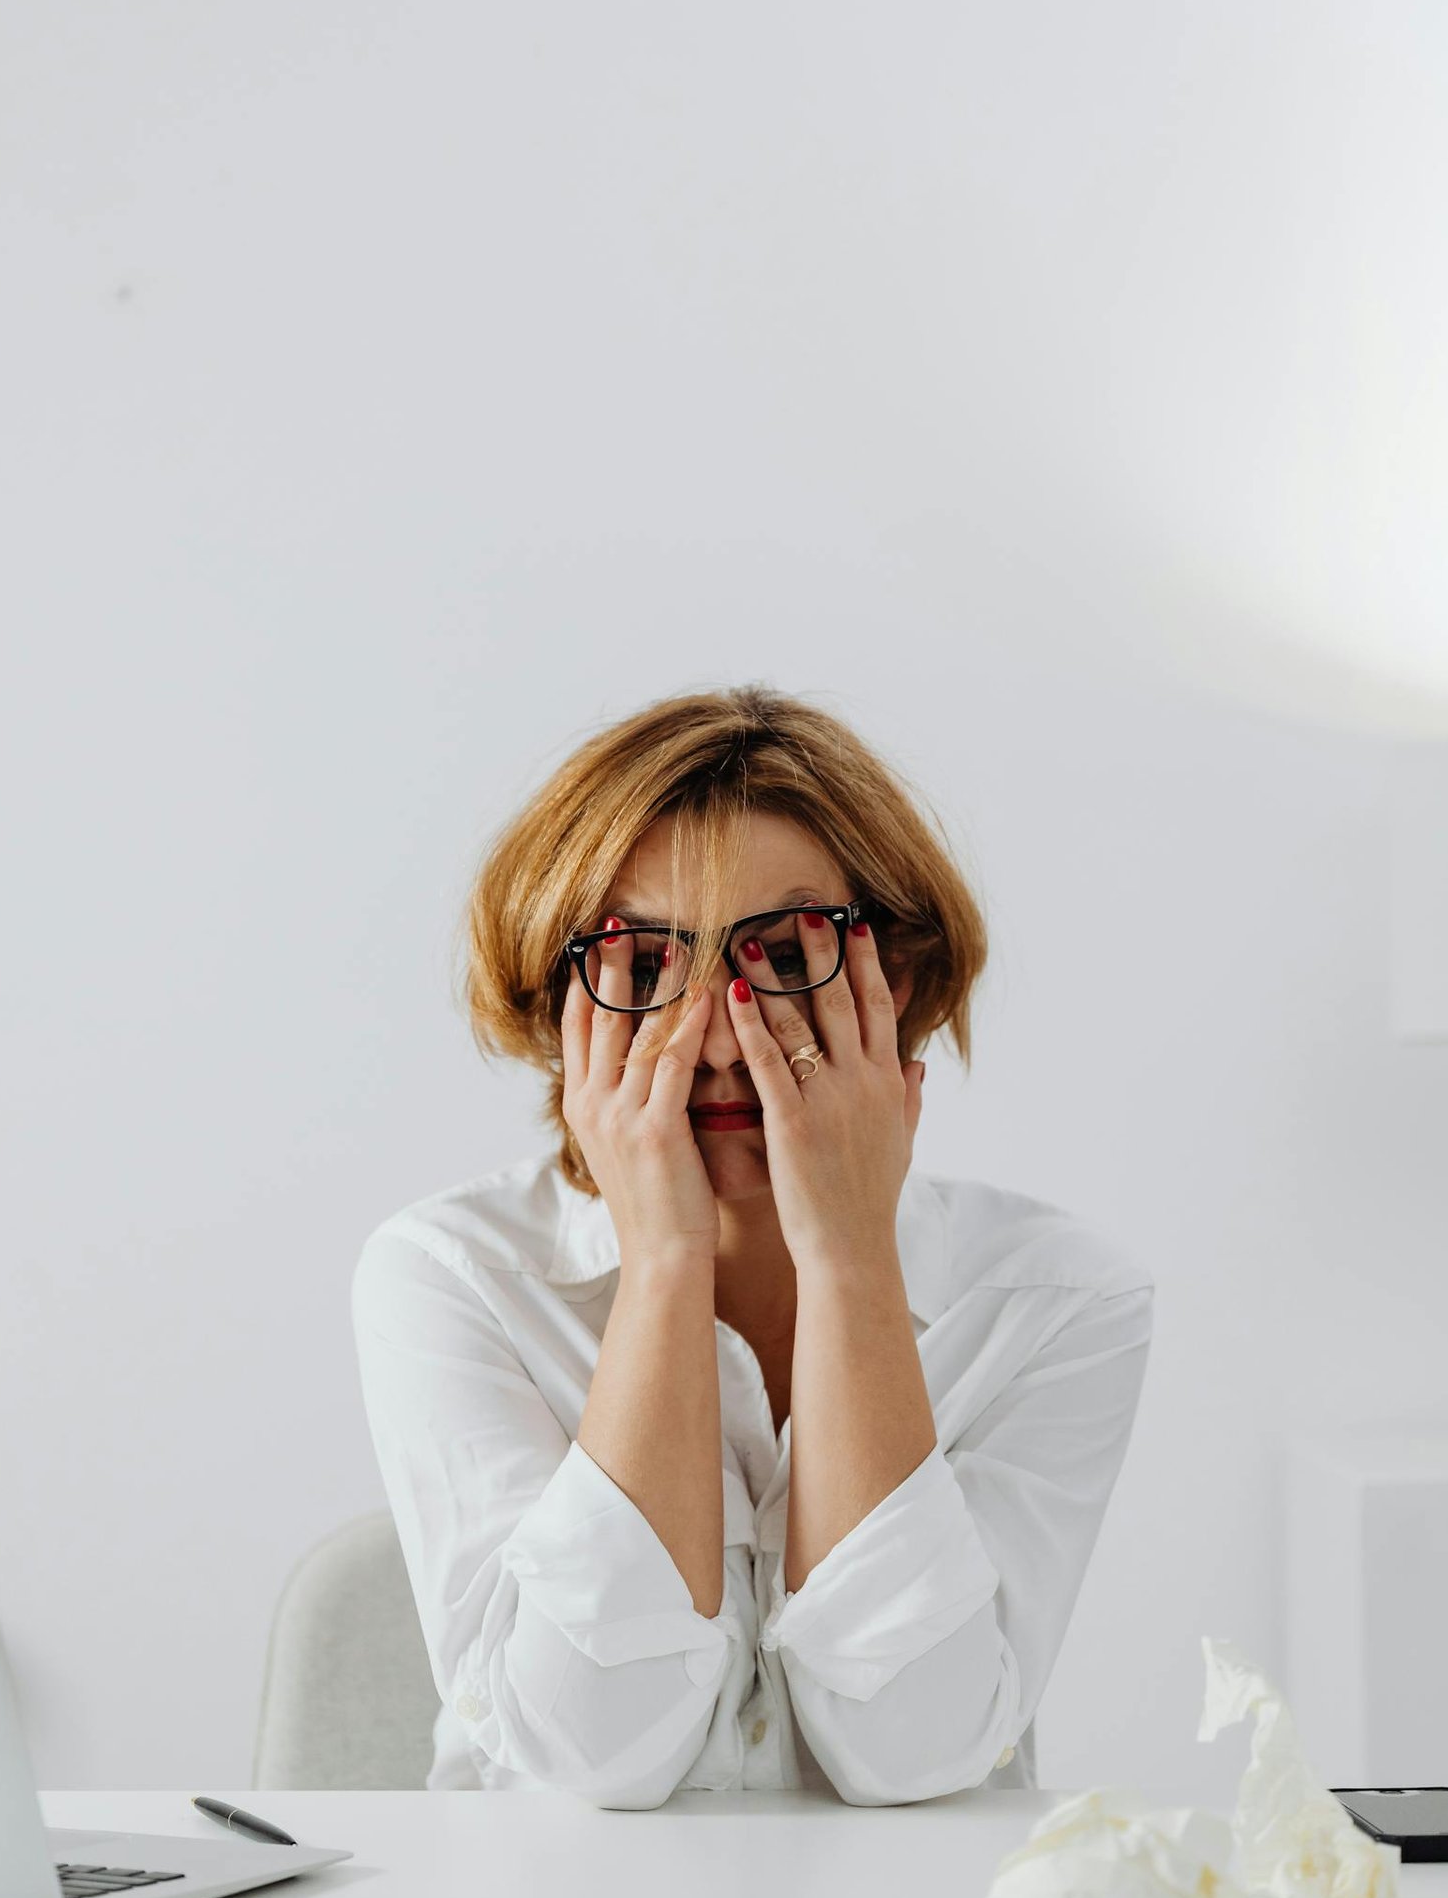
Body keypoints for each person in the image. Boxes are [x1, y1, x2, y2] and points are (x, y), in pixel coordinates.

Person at [352, 684, 1154, 1807]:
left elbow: (913, 1755)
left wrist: (849, 1264)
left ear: (901, 980)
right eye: (642, 963)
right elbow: (593, 1758)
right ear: (556, 996)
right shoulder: (453, 1276)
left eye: (784, 954)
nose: (720, 1041)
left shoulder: (1053, 1300)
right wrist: (665, 1266)